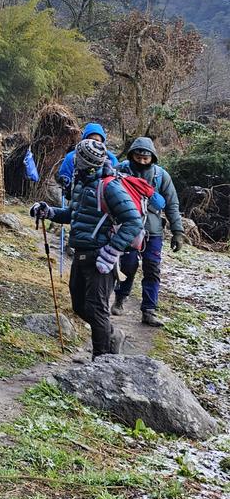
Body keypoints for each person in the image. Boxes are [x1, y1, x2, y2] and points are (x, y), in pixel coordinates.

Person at [32, 137, 144, 358]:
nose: (73, 161)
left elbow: (133, 221)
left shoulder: (110, 186)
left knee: (96, 308)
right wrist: (50, 212)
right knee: (79, 306)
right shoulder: (82, 183)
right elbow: (75, 216)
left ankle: (101, 360)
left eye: (77, 158)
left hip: (100, 257)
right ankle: (112, 336)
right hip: (81, 253)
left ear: (85, 161)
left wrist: (111, 251)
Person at [112, 137, 185, 327]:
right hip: (127, 228)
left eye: (146, 158)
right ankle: (120, 298)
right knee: (127, 266)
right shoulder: (120, 170)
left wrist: (177, 231)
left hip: (154, 231)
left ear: (152, 157)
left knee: (152, 269)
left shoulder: (161, 176)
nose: (142, 161)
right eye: (138, 156)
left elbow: (172, 204)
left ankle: (149, 310)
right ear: (132, 155)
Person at [56, 122, 119, 200]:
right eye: (90, 139)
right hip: (76, 194)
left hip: (101, 197)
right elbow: (65, 174)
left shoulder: (110, 158)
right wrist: (65, 180)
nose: (93, 142)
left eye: (97, 140)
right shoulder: (72, 156)